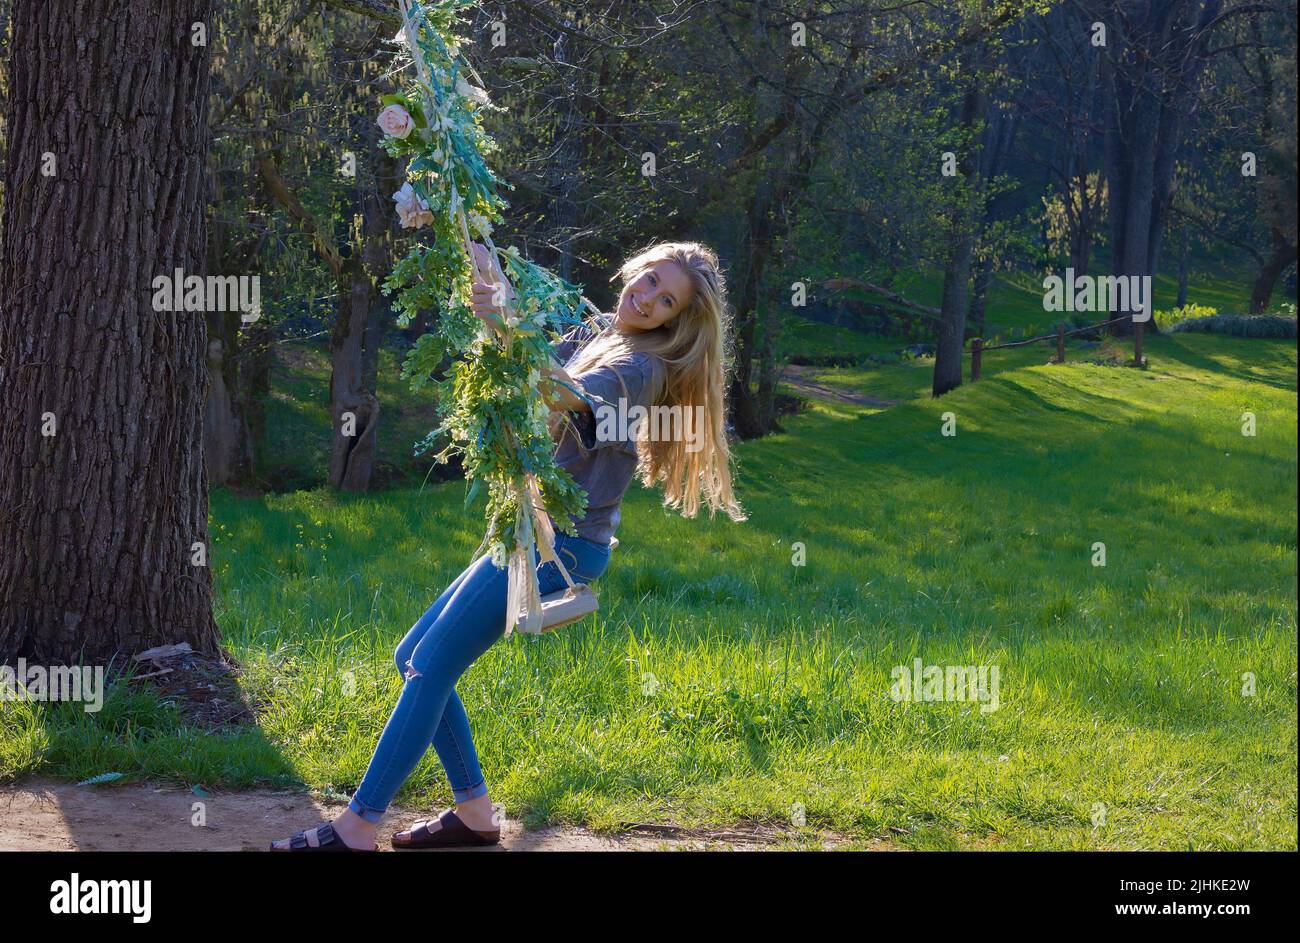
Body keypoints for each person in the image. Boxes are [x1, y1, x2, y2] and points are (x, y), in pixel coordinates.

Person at [271, 240, 747, 851]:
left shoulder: (641, 368)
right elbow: (527, 375)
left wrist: (504, 317)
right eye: (651, 280)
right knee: (413, 654)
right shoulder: (600, 332)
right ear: (636, 269)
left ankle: (356, 827)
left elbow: (561, 397)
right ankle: (474, 815)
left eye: (667, 300)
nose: (648, 298)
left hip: (563, 544)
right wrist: (489, 284)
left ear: (677, 321)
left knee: (431, 663)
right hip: (531, 529)